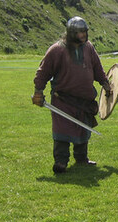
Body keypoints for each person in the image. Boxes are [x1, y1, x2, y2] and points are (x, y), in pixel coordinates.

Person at [32, 16, 111, 174]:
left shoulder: (88, 47)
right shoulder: (57, 49)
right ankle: (61, 162)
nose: (83, 35)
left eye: (85, 32)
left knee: (83, 130)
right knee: (62, 131)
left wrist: (105, 83)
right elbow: (43, 73)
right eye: (80, 32)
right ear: (71, 33)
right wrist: (38, 92)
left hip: (85, 99)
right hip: (63, 100)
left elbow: (97, 67)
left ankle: (82, 159)